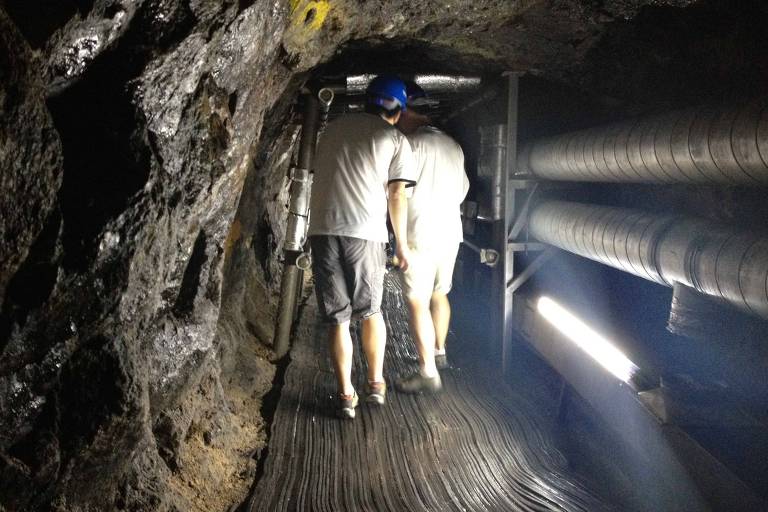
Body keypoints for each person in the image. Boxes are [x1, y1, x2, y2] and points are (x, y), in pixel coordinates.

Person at [308, 75, 416, 419]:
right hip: (365, 233)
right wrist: (402, 245)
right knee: (370, 311)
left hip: (322, 230)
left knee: (338, 319)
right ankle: (375, 384)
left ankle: (345, 396)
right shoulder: (394, 139)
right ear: (398, 111)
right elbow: (397, 194)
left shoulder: (332, 129)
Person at [395, 82, 469, 394]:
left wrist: (397, 239)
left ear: (409, 113)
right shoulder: (453, 145)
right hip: (450, 234)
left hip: (419, 234)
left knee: (416, 301)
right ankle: (439, 354)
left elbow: (399, 193)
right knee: (441, 294)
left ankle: (427, 371)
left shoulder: (409, 146)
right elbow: (463, 190)